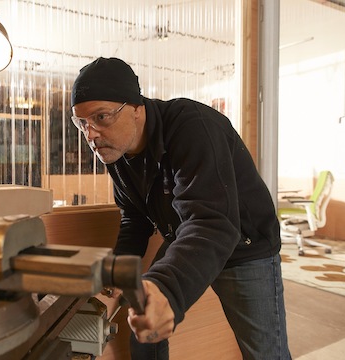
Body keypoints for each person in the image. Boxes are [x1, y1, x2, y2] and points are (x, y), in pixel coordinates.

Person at [70, 57, 291, 360]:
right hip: (188, 237)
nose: (91, 134)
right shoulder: (117, 152)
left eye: (102, 117)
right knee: (145, 321)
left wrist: (167, 290)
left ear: (136, 108)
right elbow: (135, 218)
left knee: (266, 353)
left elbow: (212, 223)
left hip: (243, 247)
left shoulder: (193, 126)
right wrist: (114, 277)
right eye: (82, 123)